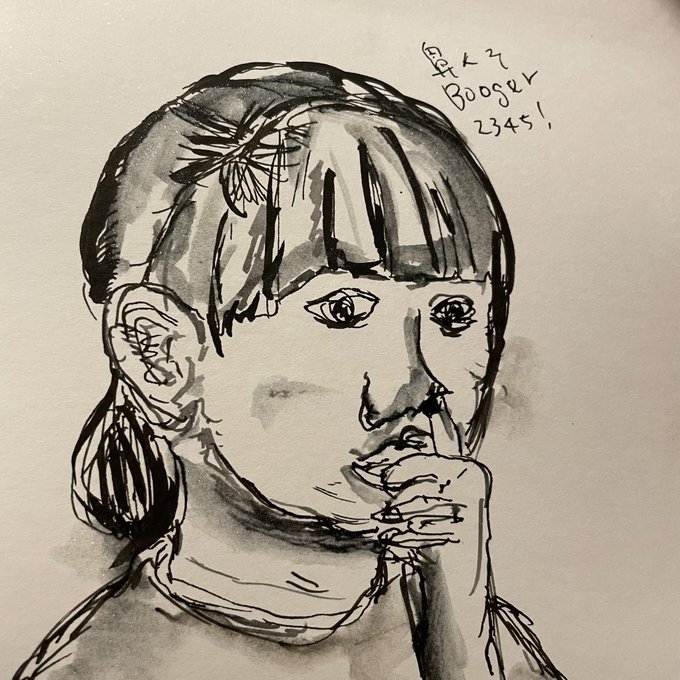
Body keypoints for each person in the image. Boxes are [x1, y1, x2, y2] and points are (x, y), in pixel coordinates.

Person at [14, 62, 566, 680]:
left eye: (453, 313)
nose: (415, 386)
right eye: (343, 310)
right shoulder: (104, 665)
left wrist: (456, 634)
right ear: (160, 354)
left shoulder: (483, 636)